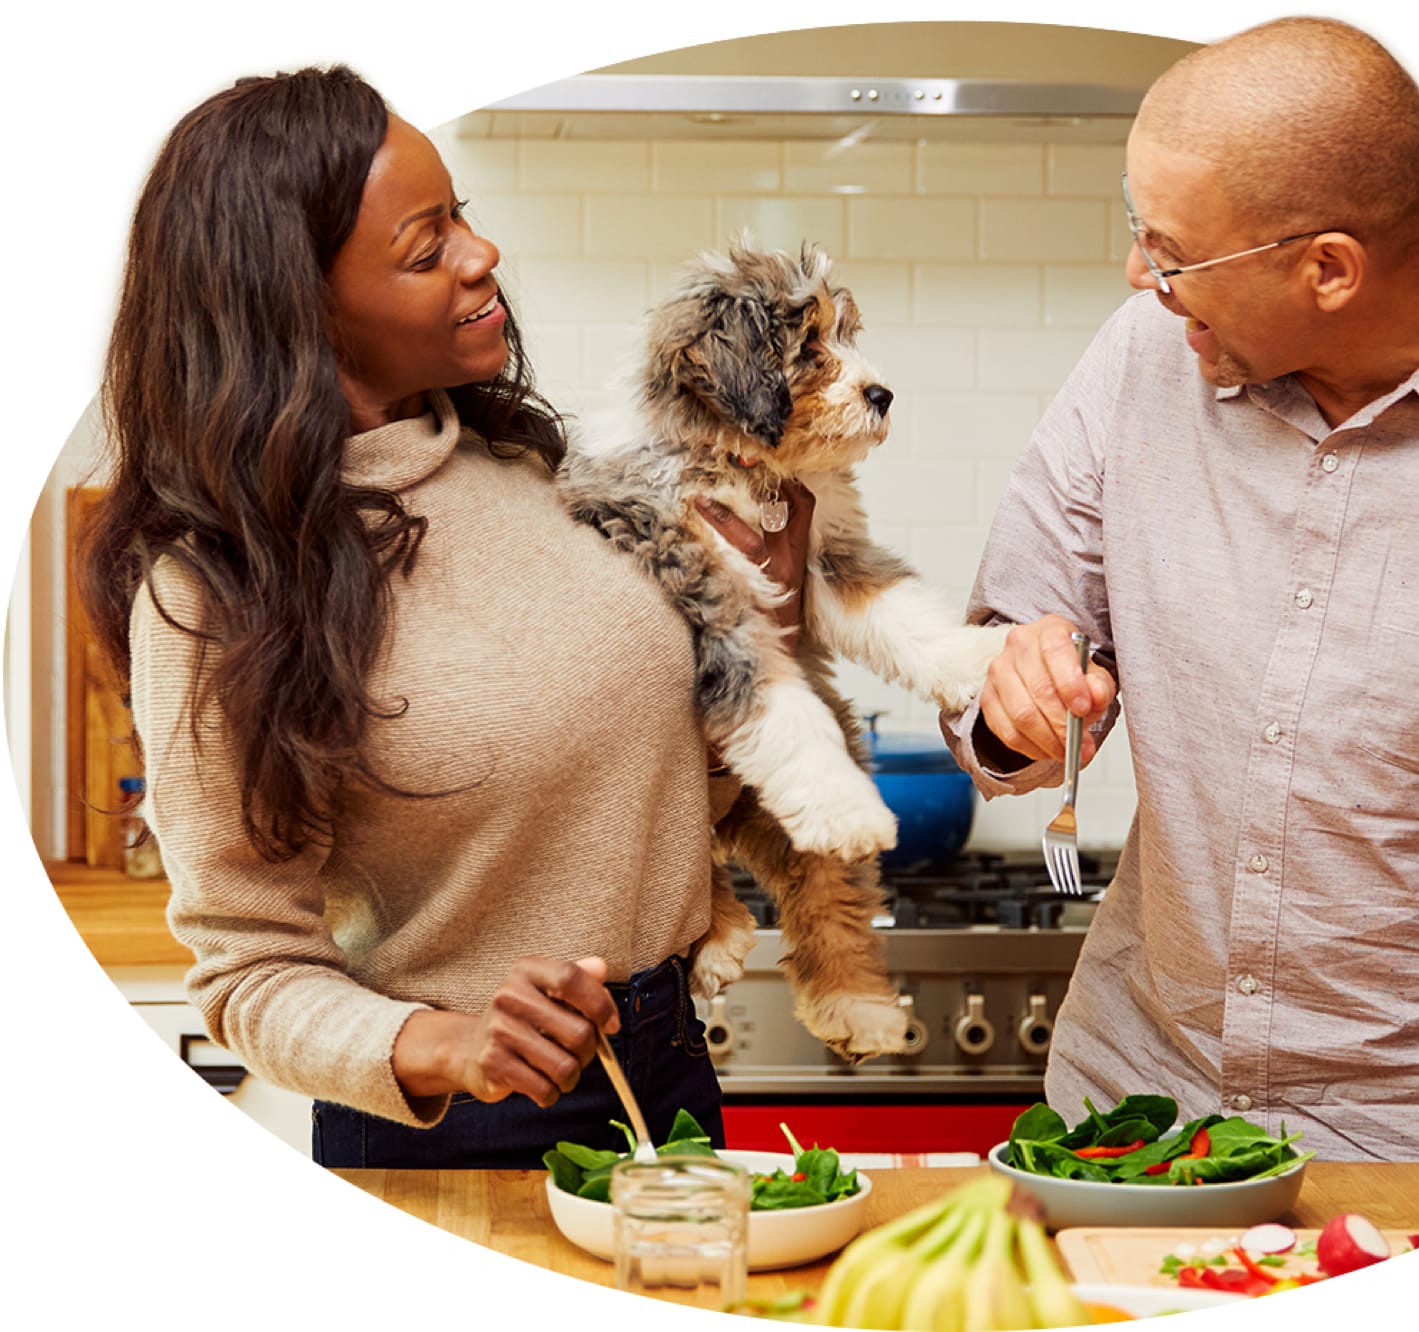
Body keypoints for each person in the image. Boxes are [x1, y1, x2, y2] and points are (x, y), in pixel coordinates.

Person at [78, 65, 813, 1169]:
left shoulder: (533, 474)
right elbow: (248, 968)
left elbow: (664, 789)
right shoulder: (218, 591)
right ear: (298, 309)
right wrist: (450, 1044)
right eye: (426, 249)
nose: (482, 256)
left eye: (458, 213)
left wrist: (768, 624)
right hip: (460, 1128)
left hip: (669, 1069)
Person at [941, 16, 1419, 1162]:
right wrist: (1014, 701)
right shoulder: (1144, 355)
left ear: (1329, 269)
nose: (1137, 275)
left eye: (1171, 253)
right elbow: (1001, 657)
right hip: (1133, 1099)